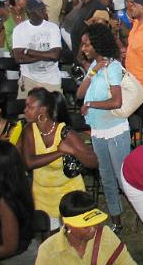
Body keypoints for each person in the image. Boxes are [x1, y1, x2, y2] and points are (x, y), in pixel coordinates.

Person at [77, 24, 131, 231]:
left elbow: (116, 101)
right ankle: (116, 221)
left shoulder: (114, 67)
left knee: (122, 178)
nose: (83, 49)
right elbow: (80, 94)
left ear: (97, 44)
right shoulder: (95, 65)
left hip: (115, 131)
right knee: (106, 177)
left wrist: (91, 105)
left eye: (87, 44)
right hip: (98, 130)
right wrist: (93, 72)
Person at [21, 88, 98, 230]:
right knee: (50, 237)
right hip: (42, 194)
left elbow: (93, 162)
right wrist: (59, 152)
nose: (25, 110)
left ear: (43, 110)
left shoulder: (65, 133)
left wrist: (74, 151)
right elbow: (29, 162)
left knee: (73, 235)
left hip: (69, 193)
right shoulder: (29, 130)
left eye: (30, 107)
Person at [11, 0, 63, 98]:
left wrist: (28, 51)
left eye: (44, 8)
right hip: (28, 79)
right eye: (40, 9)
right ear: (29, 12)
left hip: (51, 79)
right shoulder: (19, 30)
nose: (44, 11)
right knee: (25, 107)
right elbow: (18, 59)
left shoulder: (53, 28)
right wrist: (47, 55)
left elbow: (55, 56)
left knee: (55, 107)